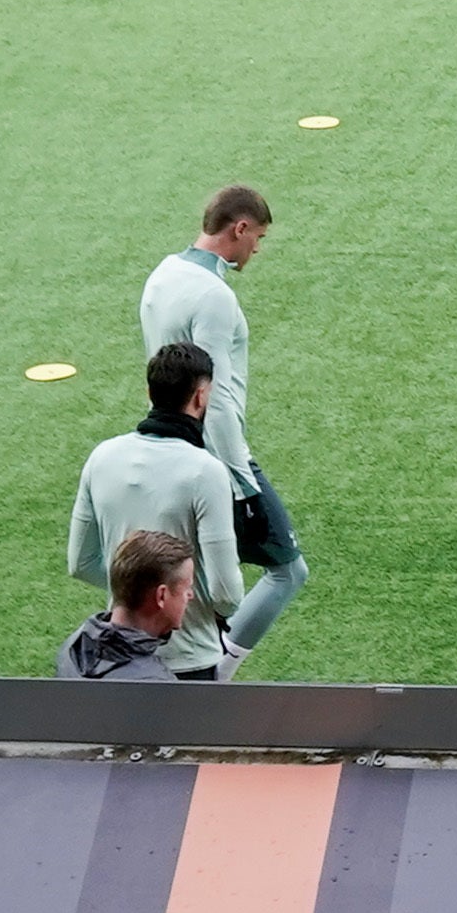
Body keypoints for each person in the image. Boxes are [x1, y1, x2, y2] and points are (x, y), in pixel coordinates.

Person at [141, 183, 309, 655]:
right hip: (214, 456)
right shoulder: (213, 296)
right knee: (288, 570)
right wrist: (242, 483)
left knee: (189, 571)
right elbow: (210, 398)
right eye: (258, 236)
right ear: (239, 228)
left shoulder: (162, 275)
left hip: (167, 449)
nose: (257, 247)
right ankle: (218, 676)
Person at [66, 342, 249, 681]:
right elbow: (227, 592)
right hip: (190, 660)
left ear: (150, 392)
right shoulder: (205, 471)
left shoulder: (102, 457)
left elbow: (80, 563)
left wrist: (134, 597)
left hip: (116, 658)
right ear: (200, 396)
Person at [59, 529, 198, 681]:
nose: (191, 595)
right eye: (187, 588)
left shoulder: (73, 647)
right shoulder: (155, 684)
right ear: (162, 596)